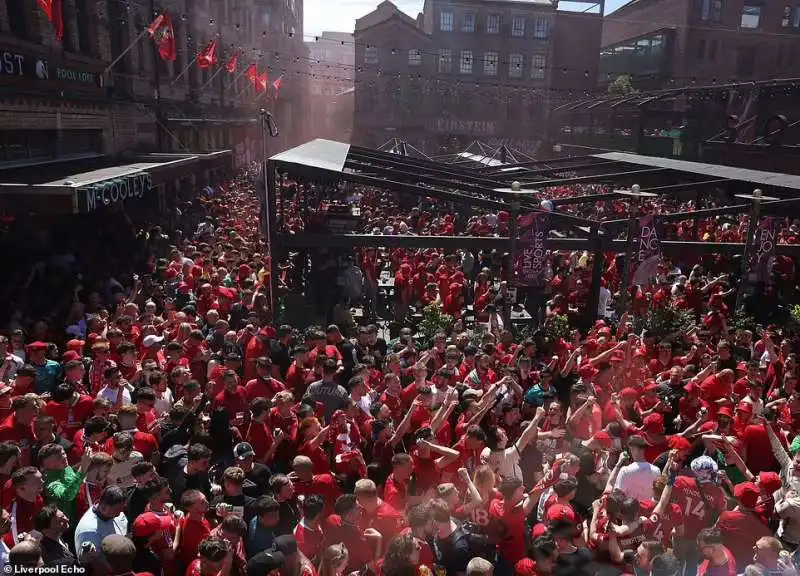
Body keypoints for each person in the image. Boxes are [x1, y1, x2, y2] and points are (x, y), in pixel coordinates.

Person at [74, 485, 129, 558]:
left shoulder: (115, 513)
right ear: (103, 507)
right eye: (118, 509)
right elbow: (93, 562)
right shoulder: (89, 532)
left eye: (123, 507)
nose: (121, 512)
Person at [615, 435, 661, 502]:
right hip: (649, 510)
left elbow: (618, 495)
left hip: (630, 511)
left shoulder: (625, 470)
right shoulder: (656, 470)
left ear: (631, 448)